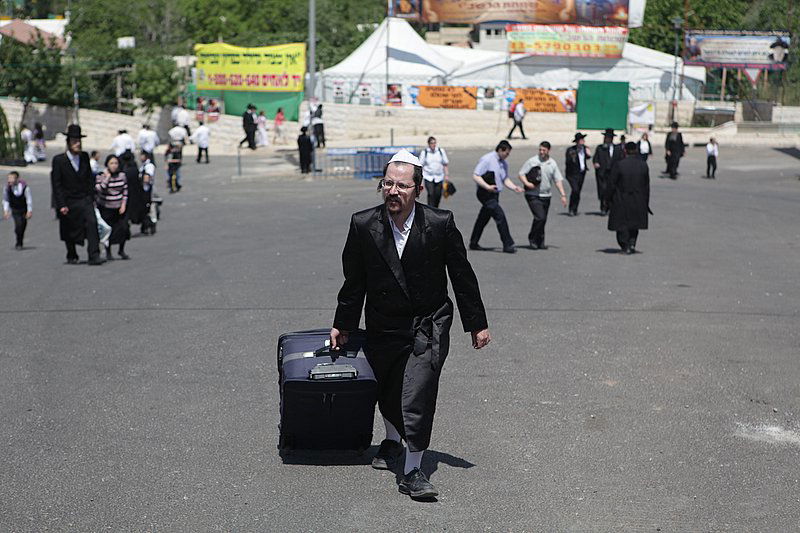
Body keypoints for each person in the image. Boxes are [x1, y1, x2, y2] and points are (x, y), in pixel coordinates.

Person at [330, 149, 491, 499]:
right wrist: (342, 324)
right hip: (383, 324)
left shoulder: (439, 223)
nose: (393, 191)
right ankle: (391, 440)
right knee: (388, 387)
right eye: (388, 183)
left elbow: (462, 276)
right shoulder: (363, 224)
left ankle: (413, 469)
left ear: (418, 189)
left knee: (417, 391)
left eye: (402, 185)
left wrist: (476, 323)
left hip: (428, 323)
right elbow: (353, 282)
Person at [50, 125, 104, 265]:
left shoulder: (84, 157)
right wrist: (61, 204)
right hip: (68, 200)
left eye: (79, 141)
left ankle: (94, 255)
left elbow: (89, 179)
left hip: (84, 198)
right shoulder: (59, 160)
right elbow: (57, 184)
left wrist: (92, 196)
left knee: (92, 223)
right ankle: (71, 253)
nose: (77, 144)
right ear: (68, 142)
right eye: (74, 141)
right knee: (70, 228)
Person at [468, 140, 523, 254]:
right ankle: (508, 244)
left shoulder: (503, 164)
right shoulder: (487, 159)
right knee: (500, 216)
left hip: (495, 194)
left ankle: (473, 242)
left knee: (483, 219)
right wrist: (487, 186)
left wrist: (514, 187)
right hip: (485, 193)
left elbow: (505, 179)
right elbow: (476, 175)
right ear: (500, 150)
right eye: (506, 153)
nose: (507, 156)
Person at [518, 141, 567, 249]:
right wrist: (527, 184)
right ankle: (532, 238)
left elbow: (557, 180)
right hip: (533, 194)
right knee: (540, 217)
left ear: (549, 150)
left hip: (546, 195)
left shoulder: (552, 163)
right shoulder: (532, 161)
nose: (541, 152)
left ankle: (540, 241)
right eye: (540, 150)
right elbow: (521, 174)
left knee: (543, 219)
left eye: (544, 150)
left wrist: (563, 195)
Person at [605, 142, 651, 254]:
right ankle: (632, 243)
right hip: (638, 198)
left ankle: (625, 245)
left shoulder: (619, 165)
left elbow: (612, 183)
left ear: (625, 150)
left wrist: (607, 199)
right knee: (635, 223)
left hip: (622, 198)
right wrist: (646, 201)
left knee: (622, 223)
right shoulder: (643, 165)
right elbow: (646, 185)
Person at [96, 154, 130, 260]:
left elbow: (125, 190)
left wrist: (123, 204)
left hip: (119, 207)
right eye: (111, 163)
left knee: (124, 228)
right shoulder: (101, 175)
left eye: (116, 163)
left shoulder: (122, 176)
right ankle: (108, 251)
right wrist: (107, 177)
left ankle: (121, 250)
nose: (114, 166)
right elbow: (99, 189)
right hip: (106, 206)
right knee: (108, 230)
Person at [592, 129, 623, 216]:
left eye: (608, 137)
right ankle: (603, 208)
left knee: (612, 190)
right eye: (605, 137)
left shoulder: (617, 148)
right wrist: (596, 163)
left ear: (612, 138)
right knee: (603, 190)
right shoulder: (600, 148)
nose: (606, 139)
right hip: (602, 173)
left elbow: (621, 159)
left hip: (613, 173)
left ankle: (610, 207)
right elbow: (595, 158)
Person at [3, 171, 32, 250]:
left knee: (23, 225)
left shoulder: (24, 187)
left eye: (11, 178)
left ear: (17, 179)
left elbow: (29, 199)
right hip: (15, 210)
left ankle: (20, 238)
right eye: (8, 178)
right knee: (18, 225)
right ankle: (18, 242)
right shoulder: (7, 188)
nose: (9, 180)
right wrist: (6, 211)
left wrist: (29, 211)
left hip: (23, 209)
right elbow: (6, 200)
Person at [564, 132, 591, 216]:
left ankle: (575, 208)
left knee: (578, 191)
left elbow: (588, 157)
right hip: (572, 174)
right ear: (577, 141)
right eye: (581, 140)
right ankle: (571, 208)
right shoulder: (571, 150)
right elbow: (568, 161)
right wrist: (574, 154)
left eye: (583, 139)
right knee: (575, 190)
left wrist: (588, 153)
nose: (583, 141)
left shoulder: (585, 148)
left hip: (581, 173)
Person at [419, 136, 449, 208]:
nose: (433, 145)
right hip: (428, 177)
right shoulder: (425, 152)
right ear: (428, 144)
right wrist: (421, 180)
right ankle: (430, 209)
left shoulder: (440, 151)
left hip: (439, 177)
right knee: (431, 193)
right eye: (432, 143)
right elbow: (421, 165)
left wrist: (446, 175)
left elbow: (445, 163)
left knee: (438, 194)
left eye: (435, 143)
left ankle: (435, 208)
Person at [136, 151, 157, 235]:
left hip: (148, 190)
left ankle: (152, 224)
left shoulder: (149, 166)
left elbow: (148, 176)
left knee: (151, 207)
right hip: (144, 189)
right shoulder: (144, 166)